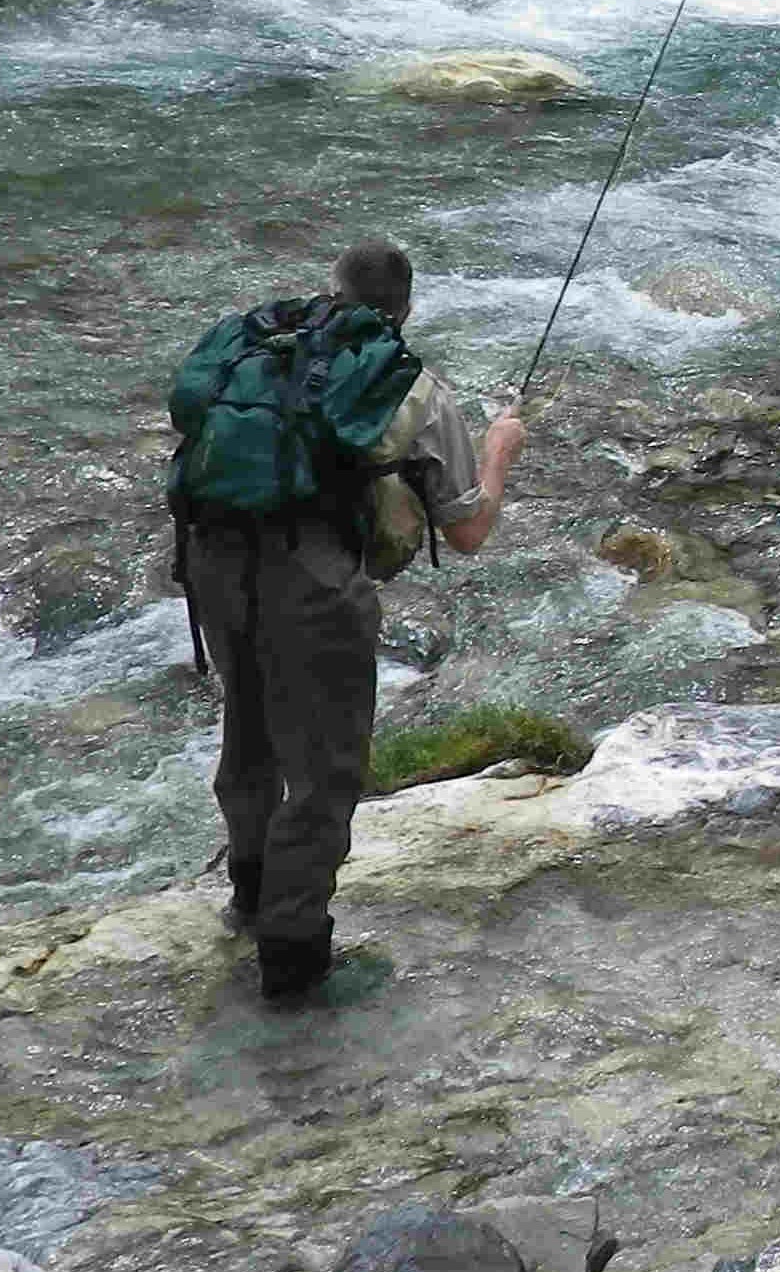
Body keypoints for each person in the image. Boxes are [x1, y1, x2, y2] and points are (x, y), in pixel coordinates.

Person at [169, 239, 525, 1003]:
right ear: (406, 309)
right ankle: (292, 967)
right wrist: (499, 450)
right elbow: (467, 531)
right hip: (313, 581)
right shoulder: (411, 387)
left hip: (211, 560)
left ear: (330, 289)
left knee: (252, 726)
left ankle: (250, 895)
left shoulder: (260, 349)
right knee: (326, 770)